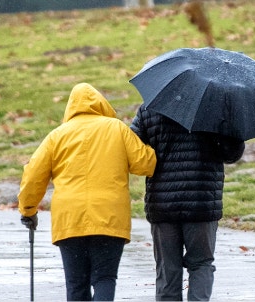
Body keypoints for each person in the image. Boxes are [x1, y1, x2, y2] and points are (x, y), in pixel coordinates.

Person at [18, 83, 157, 301]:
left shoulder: (57, 136)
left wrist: (28, 210)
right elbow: (146, 165)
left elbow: (33, 175)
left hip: (70, 221)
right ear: (101, 104)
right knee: (104, 278)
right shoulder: (117, 129)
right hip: (109, 218)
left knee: (76, 284)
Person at [130, 106, 245, 301]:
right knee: (201, 264)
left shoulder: (150, 107)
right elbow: (231, 154)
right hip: (202, 201)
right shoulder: (218, 107)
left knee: (167, 269)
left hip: (162, 203)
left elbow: (133, 146)